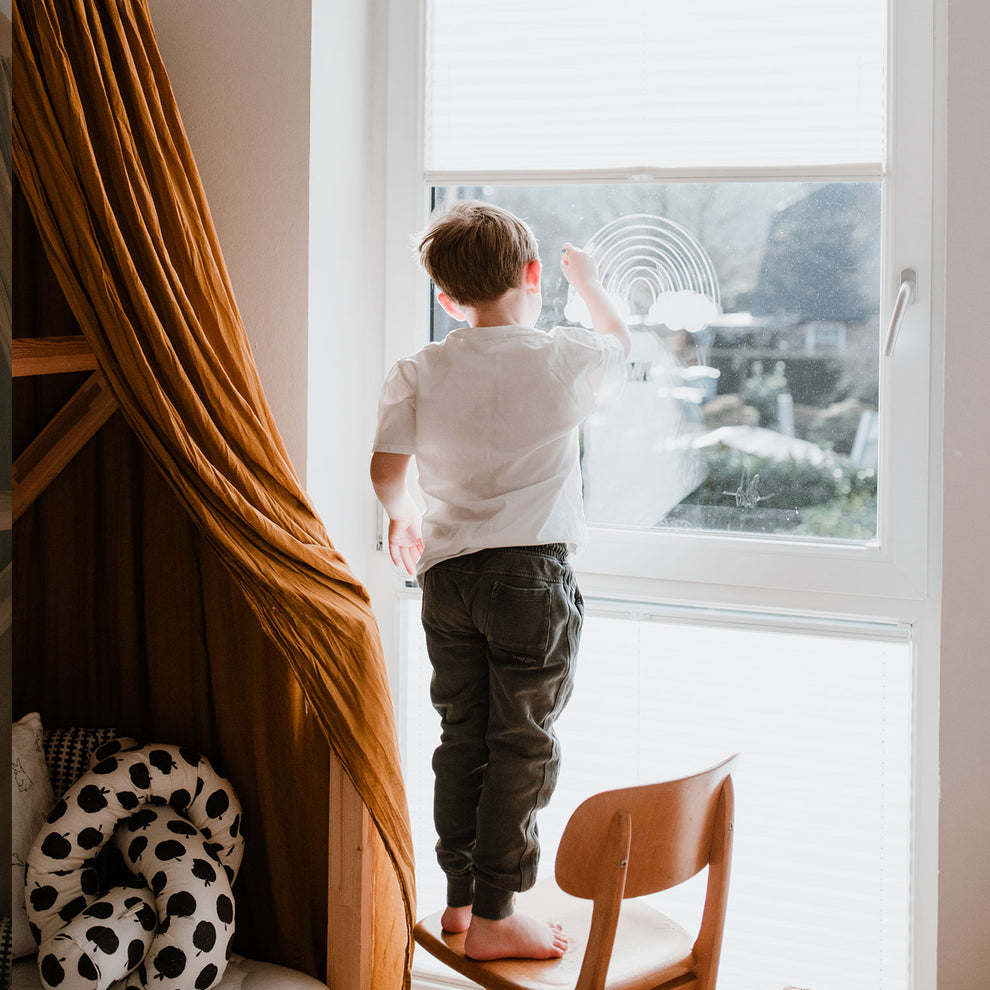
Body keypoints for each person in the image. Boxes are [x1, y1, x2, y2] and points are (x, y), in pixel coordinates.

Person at [370, 200, 631, 961]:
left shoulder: (420, 367)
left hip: (447, 577)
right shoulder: (561, 357)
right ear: (533, 274)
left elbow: (387, 469)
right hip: (529, 578)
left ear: (446, 298)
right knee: (523, 742)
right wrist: (589, 286)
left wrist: (400, 515)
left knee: (463, 738)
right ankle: (495, 915)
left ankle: (458, 902)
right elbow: (620, 345)